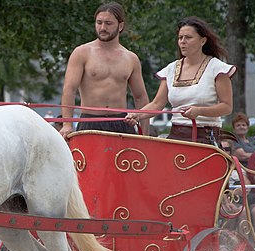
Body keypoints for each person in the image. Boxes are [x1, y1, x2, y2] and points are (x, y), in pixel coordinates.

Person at [125, 17, 235, 145]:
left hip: (205, 139)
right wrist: (137, 115)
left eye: (188, 37)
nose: (183, 42)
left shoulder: (217, 68)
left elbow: (227, 107)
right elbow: (157, 104)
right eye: (180, 38)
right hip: (176, 138)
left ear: (203, 41)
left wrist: (199, 111)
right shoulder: (171, 69)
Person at [59, 1, 149, 139]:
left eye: (108, 23)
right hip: (90, 122)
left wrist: (146, 133)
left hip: (121, 123)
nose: (102, 27)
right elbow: (69, 89)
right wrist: (67, 124)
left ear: (120, 26)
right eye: (99, 22)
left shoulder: (131, 58)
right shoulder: (82, 52)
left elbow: (140, 97)